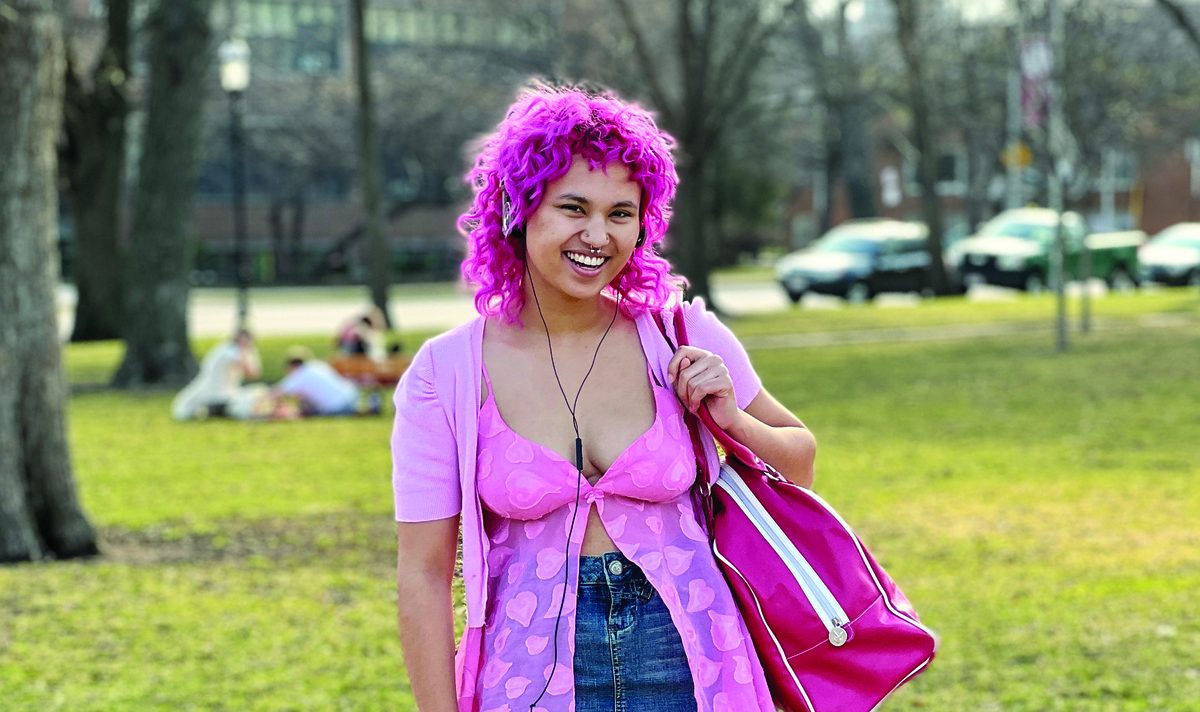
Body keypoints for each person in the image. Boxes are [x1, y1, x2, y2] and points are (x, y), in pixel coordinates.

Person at [390, 84, 817, 712]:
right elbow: (423, 572)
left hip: (700, 662)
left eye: (621, 213)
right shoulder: (446, 374)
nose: (599, 235)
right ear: (518, 205)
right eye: (573, 207)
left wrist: (730, 420)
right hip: (527, 675)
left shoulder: (681, 334)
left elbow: (800, 462)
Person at [171, 329, 269, 420]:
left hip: (226, 391)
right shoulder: (229, 351)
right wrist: (245, 352)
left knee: (260, 393)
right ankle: (213, 410)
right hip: (215, 392)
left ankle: (213, 410)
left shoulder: (236, 350)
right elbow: (250, 372)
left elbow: (255, 373)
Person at [273, 346, 361, 416]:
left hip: (337, 407)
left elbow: (276, 392)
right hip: (352, 396)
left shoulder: (299, 376)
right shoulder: (317, 365)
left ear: (292, 366)